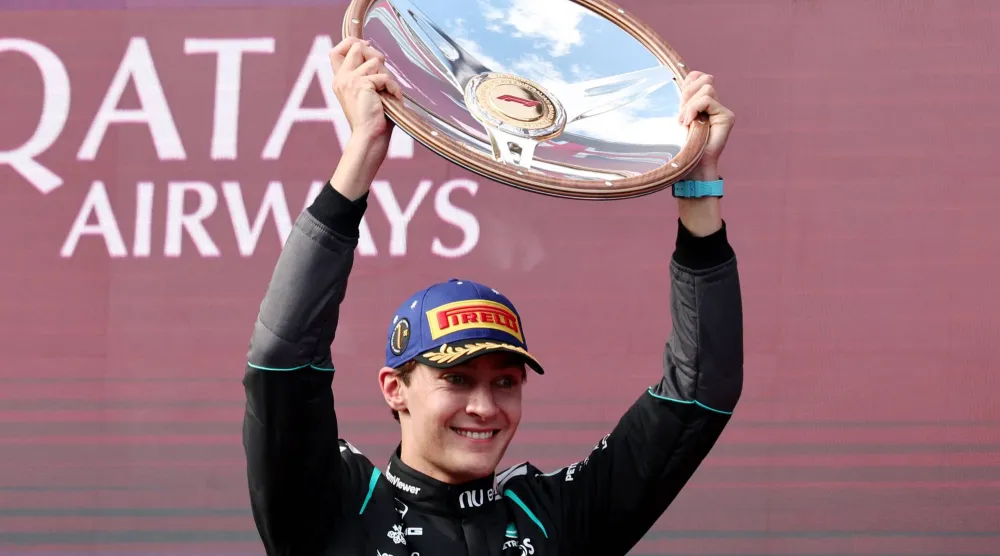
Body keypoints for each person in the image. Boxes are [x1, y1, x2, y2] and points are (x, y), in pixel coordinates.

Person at [242, 36, 742, 556]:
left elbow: (702, 391)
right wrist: (363, 150)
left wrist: (698, 184)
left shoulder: (558, 517)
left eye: (505, 381)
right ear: (395, 388)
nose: (484, 407)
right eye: (456, 379)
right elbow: (282, 358)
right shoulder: (334, 505)